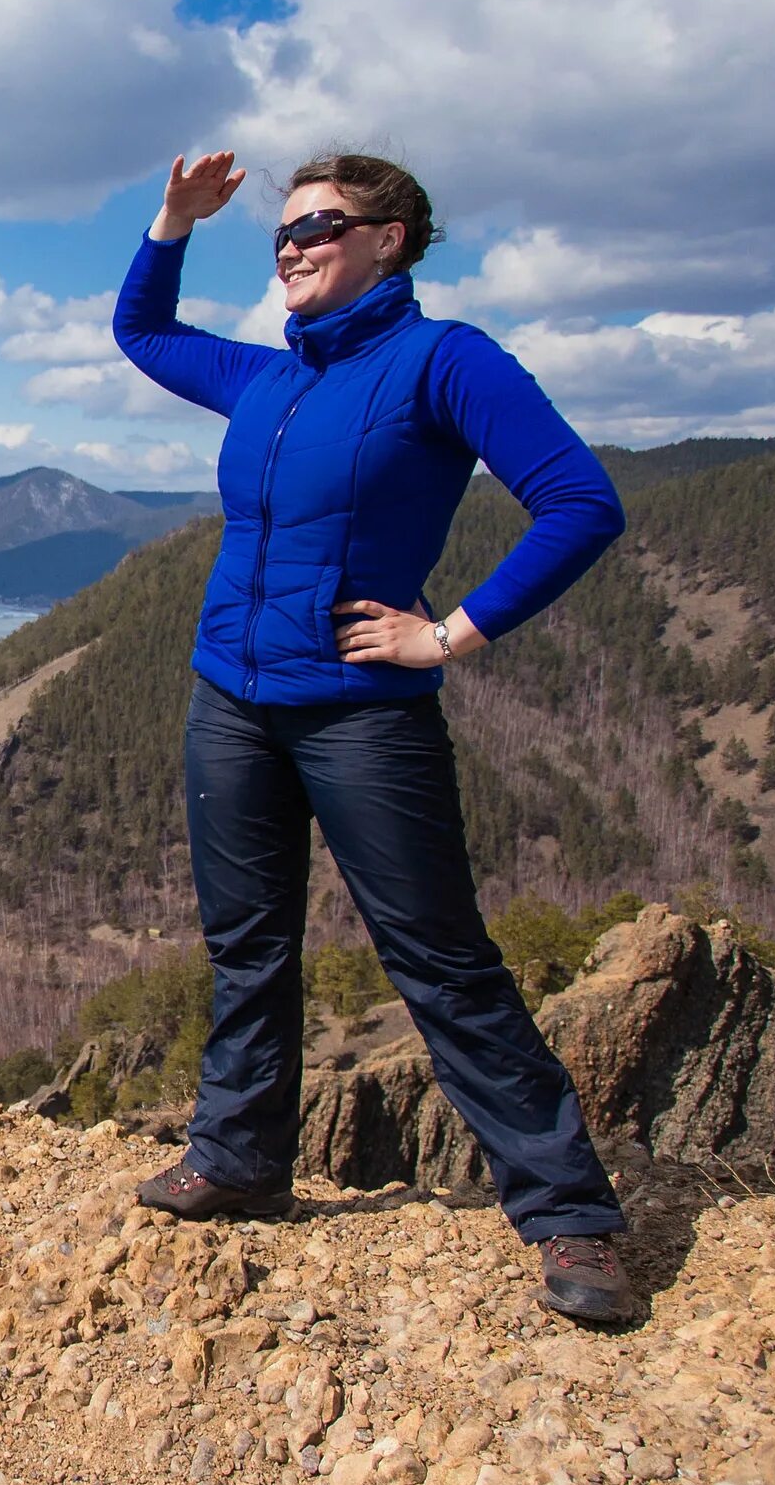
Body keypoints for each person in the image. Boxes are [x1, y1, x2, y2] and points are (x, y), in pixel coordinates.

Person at [113, 147, 640, 1326]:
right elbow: (142, 333)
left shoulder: (444, 362)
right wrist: (172, 221)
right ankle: (239, 1161)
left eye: (321, 225)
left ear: (391, 238)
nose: (293, 245)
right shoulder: (266, 377)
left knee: (441, 962)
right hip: (232, 704)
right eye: (283, 233)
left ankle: (572, 1217)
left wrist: (449, 634)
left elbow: (581, 501)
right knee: (248, 948)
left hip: (361, 714)